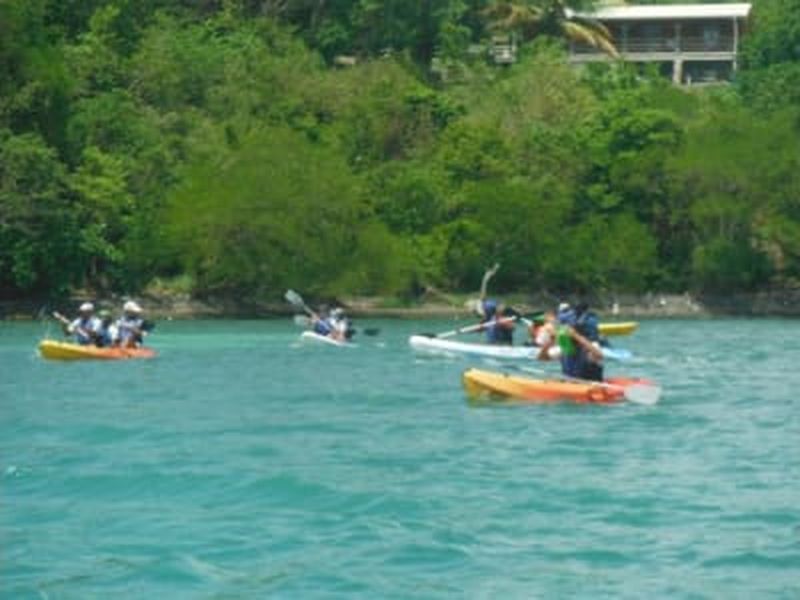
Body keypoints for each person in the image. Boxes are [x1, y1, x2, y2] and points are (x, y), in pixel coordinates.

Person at [556, 301, 604, 381]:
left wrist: (576, 336)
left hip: (590, 387)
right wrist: (549, 342)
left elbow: (599, 355)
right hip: (571, 386)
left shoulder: (589, 349)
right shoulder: (564, 348)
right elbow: (543, 357)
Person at [471, 263, 516, 345]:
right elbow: (479, 328)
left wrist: (500, 322)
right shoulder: (488, 320)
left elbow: (512, 327)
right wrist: (470, 330)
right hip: (493, 347)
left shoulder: (502, 319)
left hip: (504, 348)